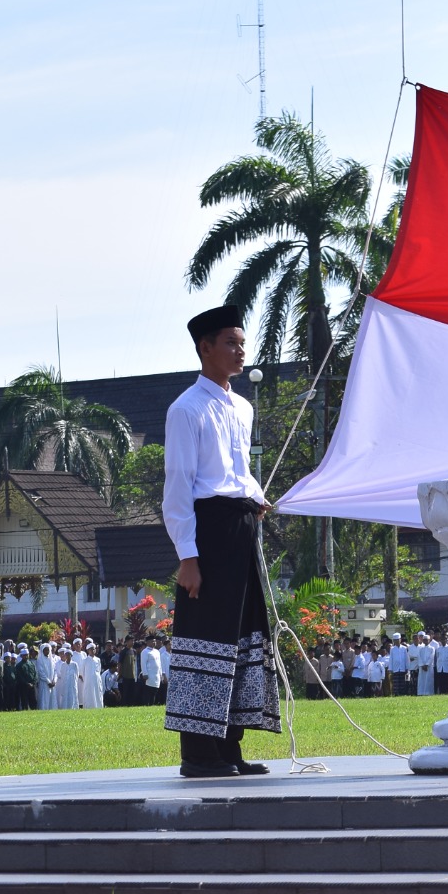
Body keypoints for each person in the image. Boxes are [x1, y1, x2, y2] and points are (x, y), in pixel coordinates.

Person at [161, 305, 280, 778]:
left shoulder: (243, 407)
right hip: (207, 532)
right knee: (207, 636)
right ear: (205, 347)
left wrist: (255, 497)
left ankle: (230, 747)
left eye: (241, 342)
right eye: (229, 342)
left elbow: (238, 472)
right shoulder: (186, 409)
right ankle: (198, 753)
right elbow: (179, 487)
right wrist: (187, 557)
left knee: (242, 636)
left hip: (241, 527)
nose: (239, 350)